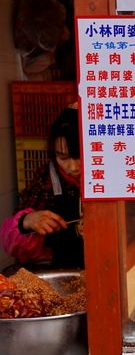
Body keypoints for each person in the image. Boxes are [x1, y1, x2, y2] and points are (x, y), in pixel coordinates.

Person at [1, 107, 83, 268]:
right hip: (62, 266)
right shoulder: (46, 179)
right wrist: (26, 222)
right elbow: (10, 241)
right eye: (63, 157)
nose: (73, 167)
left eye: (79, 156)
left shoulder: (110, 174)